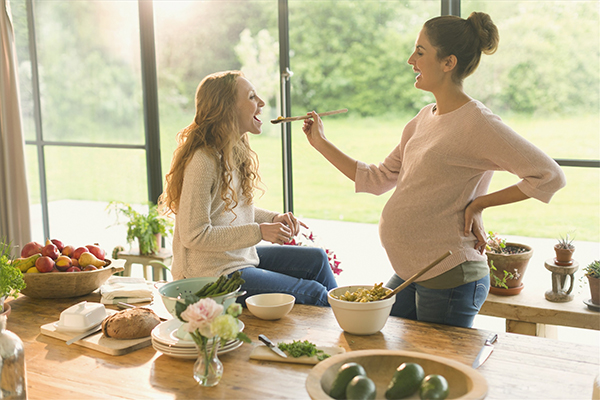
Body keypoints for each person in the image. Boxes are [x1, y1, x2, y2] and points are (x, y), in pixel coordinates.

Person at [302, 12, 566, 327]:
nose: (411, 59)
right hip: (412, 270)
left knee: (436, 370)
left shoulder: (477, 123)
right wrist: (321, 143)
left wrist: (479, 203)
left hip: (449, 277)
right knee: (378, 344)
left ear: (448, 62)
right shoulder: (424, 117)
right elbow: (377, 179)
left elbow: (549, 175)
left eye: (421, 51)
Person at [160, 70, 337, 306]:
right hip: (208, 278)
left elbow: (231, 210)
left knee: (317, 259)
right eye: (252, 97)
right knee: (314, 293)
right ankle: (348, 331)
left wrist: (273, 218)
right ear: (227, 107)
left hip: (235, 260)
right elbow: (195, 234)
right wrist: (260, 232)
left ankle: (352, 316)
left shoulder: (232, 150)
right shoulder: (202, 160)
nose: (262, 103)